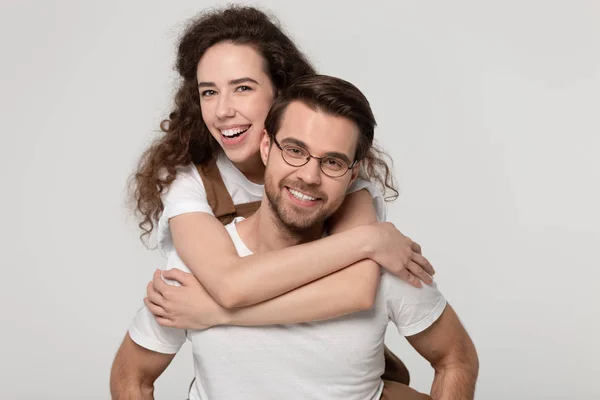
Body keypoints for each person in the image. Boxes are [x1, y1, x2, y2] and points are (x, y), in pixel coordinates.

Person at [112, 5, 435, 398]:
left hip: (334, 364)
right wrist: (369, 240)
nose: (223, 109)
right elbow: (230, 285)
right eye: (208, 92)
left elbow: (356, 291)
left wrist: (214, 314)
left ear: (282, 92)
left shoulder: (336, 174)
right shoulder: (192, 186)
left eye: (243, 88)